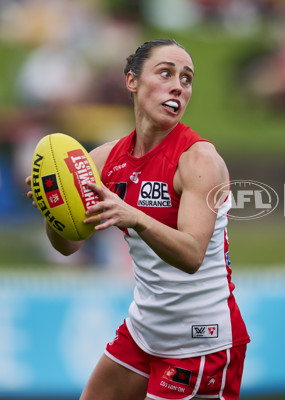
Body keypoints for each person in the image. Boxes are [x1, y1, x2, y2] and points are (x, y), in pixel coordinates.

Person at [26, 39, 250, 400]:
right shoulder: (104, 160)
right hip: (145, 330)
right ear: (132, 81)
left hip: (200, 339)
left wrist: (135, 217)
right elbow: (68, 246)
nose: (179, 85)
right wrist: (52, 209)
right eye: (166, 73)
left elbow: (192, 254)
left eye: (187, 78)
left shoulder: (198, 160)